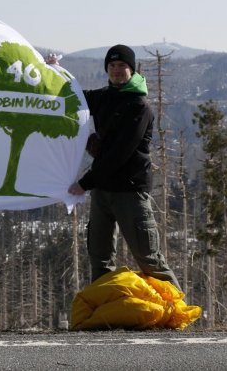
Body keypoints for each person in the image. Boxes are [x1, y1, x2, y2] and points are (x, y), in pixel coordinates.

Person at [63, 44, 182, 291]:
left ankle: (178, 311)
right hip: (102, 191)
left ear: (132, 69)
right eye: (112, 66)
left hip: (129, 191)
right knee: (100, 258)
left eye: (122, 66)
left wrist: (84, 183)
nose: (117, 70)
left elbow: (120, 153)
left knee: (149, 258)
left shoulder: (140, 106)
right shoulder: (104, 96)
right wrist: (52, 69)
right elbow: (69, 96)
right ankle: (103, 315)